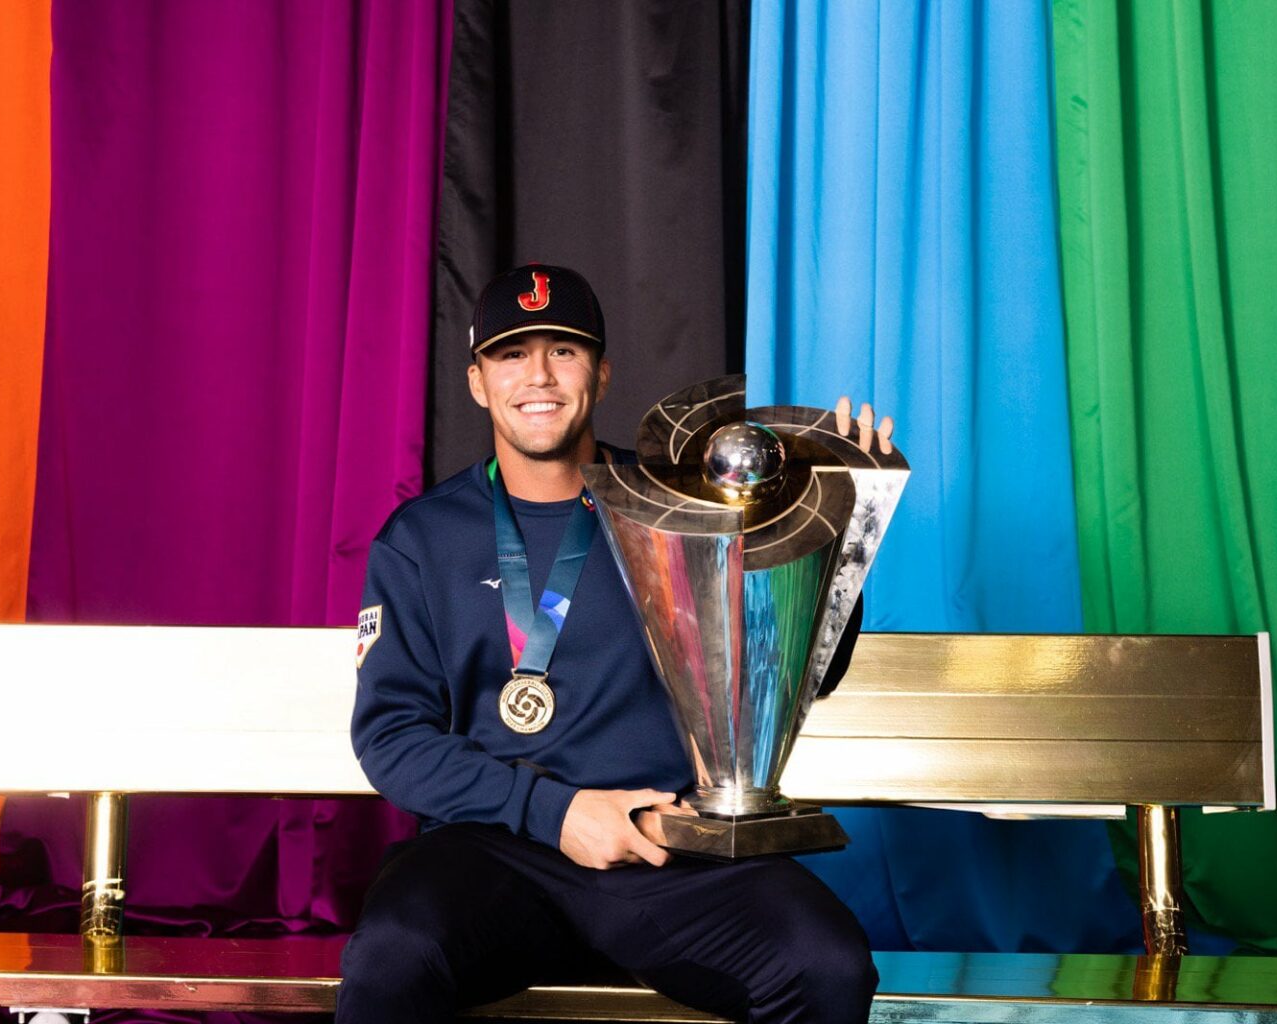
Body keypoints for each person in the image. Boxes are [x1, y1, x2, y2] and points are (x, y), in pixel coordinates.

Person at [338, 264, 883, 1023]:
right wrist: (553, 811)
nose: (539, 375)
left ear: (602, 371)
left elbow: (793, 676)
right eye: (510, 354)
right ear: (475, 380)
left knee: (827, 966)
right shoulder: (420, 540)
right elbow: (393, 738)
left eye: (563, 350)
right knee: (392, 956)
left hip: (668, 848)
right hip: (493, 850)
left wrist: (834, 528)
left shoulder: (685, 511)